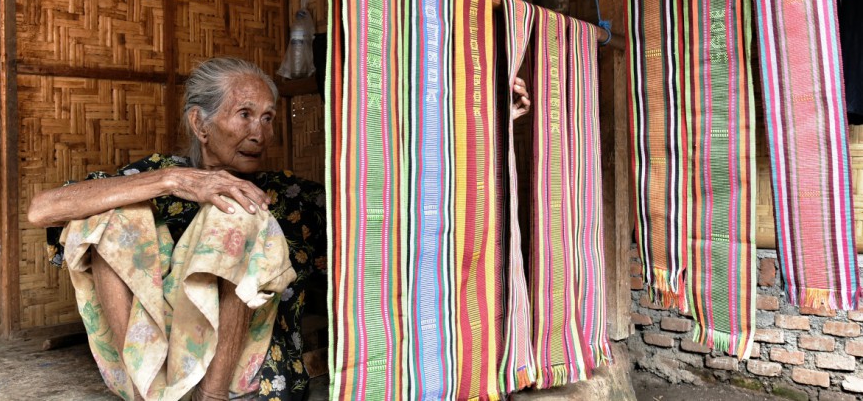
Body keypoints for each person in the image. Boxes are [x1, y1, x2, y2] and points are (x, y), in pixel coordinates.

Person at [29, 57, 532, 401]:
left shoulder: (287, 194)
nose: (259, 132)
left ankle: (212, 397)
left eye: (268, 118)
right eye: (244, 114)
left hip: (250, 376)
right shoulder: (164, 175)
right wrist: (172, 180)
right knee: (109, 214)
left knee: (241, 209)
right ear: (200, 124)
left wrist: (484, 120)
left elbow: (402, 196)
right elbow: (42, 210)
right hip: (149, 367)